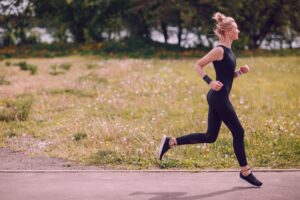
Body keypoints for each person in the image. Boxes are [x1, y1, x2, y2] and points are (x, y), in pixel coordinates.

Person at [157, 12, 263, 187]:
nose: (238, 30)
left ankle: (170, 142)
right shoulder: (219, 50)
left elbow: (226, 78)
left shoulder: (229, 51)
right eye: (235, 28)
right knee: (239, 132)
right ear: (228, 31)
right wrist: (210, 82)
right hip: (218, 98)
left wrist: (239, 73)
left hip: (218, 96)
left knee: (210, 136)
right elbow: (198, 65)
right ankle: (245, 171)